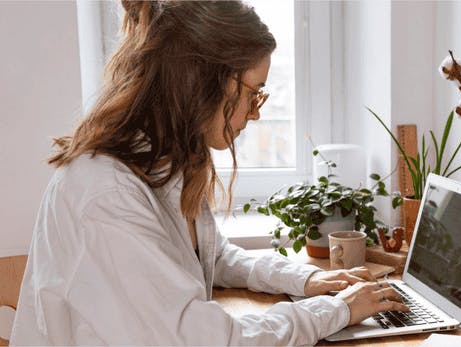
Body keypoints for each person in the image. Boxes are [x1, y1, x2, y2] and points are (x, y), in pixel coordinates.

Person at [11, 1, 408, 345]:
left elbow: (212, 257)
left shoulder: (168, 164)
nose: (256, 113)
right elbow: (204, 339)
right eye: (253, 93)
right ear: (201, 81)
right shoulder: (105, 194)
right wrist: (333, 311)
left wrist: (305, 281)